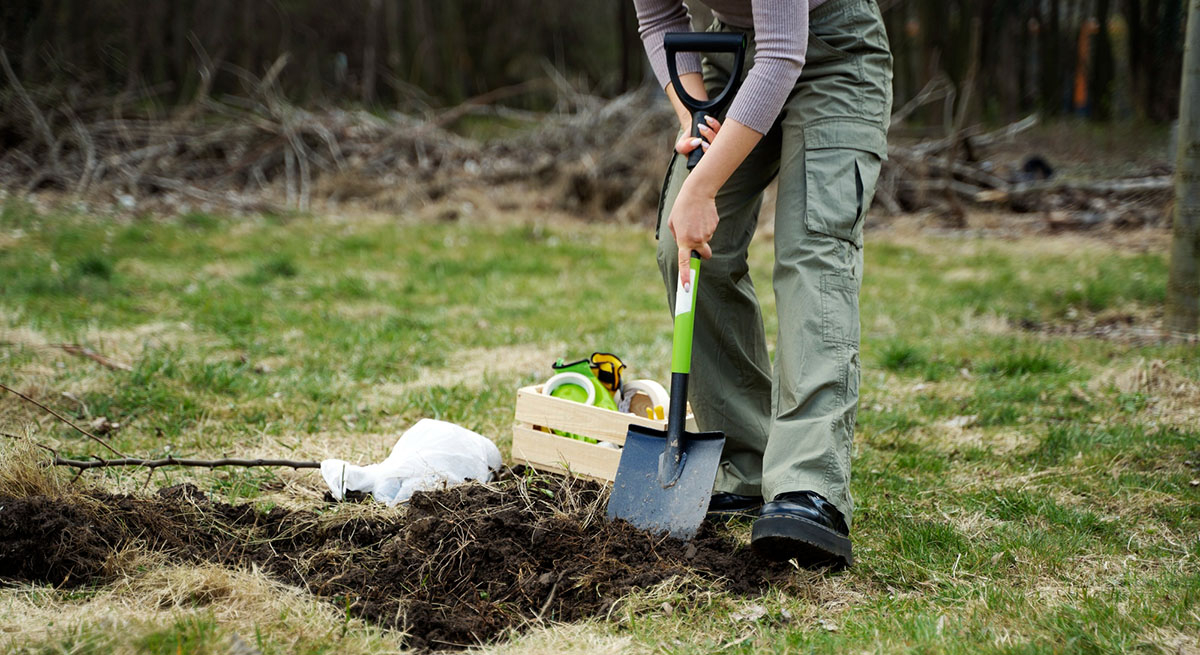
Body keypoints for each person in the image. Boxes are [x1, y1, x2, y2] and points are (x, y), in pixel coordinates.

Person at [632, 0, 892, 568]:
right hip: (739, 50)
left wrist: (701, 189)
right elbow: (659, 20)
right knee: (688, 250)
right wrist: (690, 115)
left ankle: (808, 483)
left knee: (813, 248)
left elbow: (784, 54)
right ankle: (744, 461)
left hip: (833, 55)